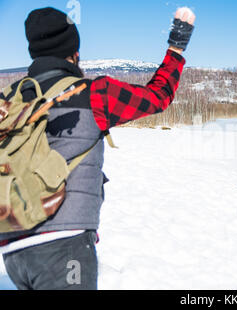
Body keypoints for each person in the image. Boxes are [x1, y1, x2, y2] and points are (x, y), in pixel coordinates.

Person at [0, 6, 195, 290]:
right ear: (74, 52)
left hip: (13, 249)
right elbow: (158, 96)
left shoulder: (8, 100)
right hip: (66, 246)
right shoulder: (94, 94)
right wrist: (177, 47)